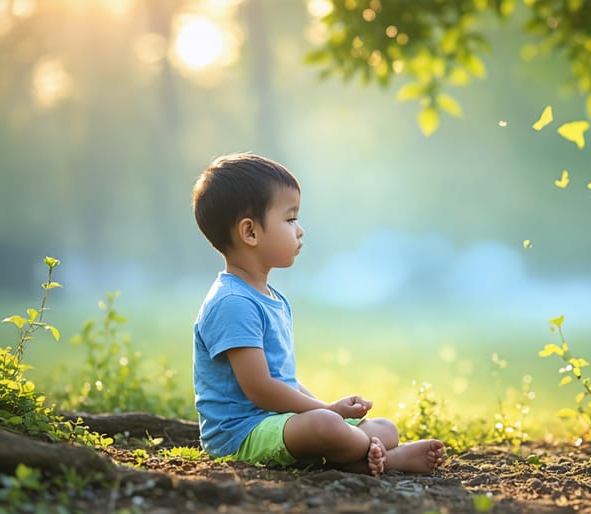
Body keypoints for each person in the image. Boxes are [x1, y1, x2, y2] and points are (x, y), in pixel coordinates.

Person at [190, 152, 445, 476]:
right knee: (325, 424)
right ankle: (379, 459)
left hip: (275, 421)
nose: (300, 231)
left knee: (385, 427)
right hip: (240, 434)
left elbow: (285, 380)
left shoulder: (270, 298)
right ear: (250, 232)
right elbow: (261, 389)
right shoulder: (232, 303)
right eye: (290, 219)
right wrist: (327, 410)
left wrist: (332, 408)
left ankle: (358, 452)